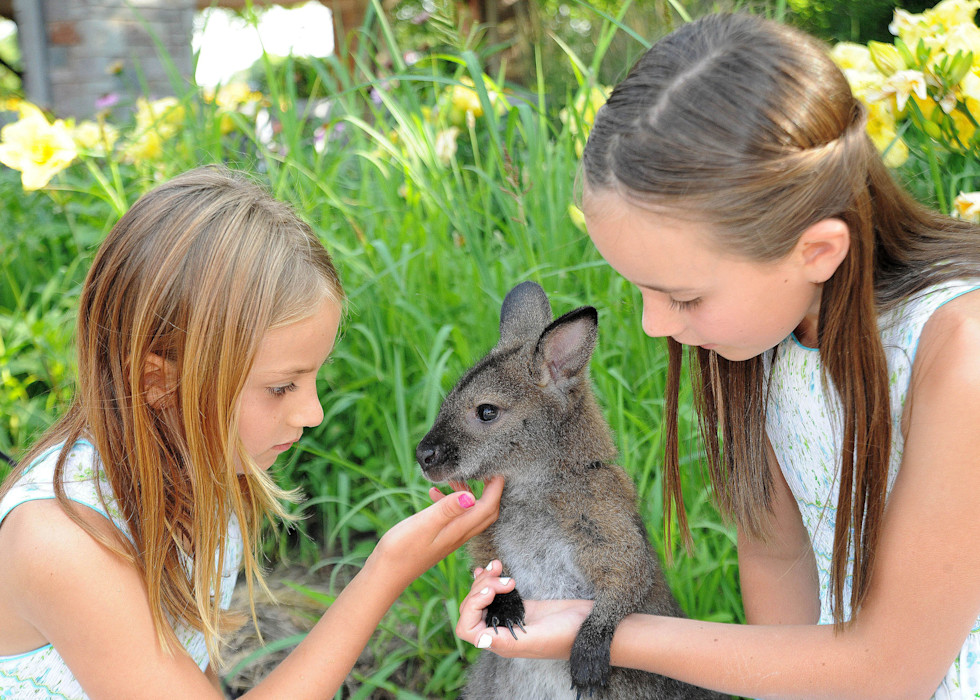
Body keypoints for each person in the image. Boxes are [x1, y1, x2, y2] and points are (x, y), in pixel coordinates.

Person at [456, 12, 980, 699]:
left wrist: (604, 628)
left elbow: (893, 667)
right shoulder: (765, 337)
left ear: (816, 252)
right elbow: (778, 556)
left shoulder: (959, 354)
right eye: (641, 290)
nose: (652, 325)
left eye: (684, 297)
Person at [0, 166, 503, 698]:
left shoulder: (206, 472)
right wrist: (385, 572)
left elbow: (191, 671)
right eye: (282, 387)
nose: (313, 413)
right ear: (158, 381)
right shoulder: (65, 542)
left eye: (314, 376)